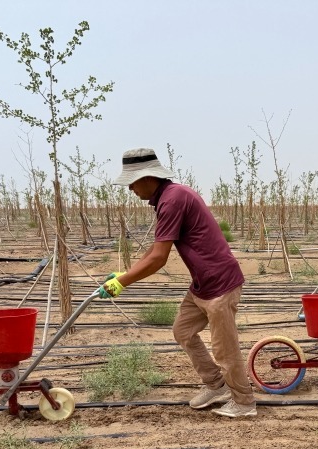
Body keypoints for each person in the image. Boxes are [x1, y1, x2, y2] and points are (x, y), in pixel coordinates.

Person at [99, 147, 257, 417]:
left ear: (148, 177)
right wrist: (124, 274)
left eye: (132, 182)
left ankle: (244, 402)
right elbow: (156, 247)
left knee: (224, 349)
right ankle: (217, 385)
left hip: (220, 283)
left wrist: (122, 283)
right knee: (183, 331)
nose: (130, 189)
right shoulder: (168, 198)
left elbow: (159, 259)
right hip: (202, 283)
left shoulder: (173, 199)